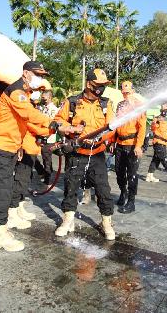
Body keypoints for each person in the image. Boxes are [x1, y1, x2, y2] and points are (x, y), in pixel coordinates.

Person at [0, 61, 69, 251]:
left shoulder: (25, 94)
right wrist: (54, 124)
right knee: (1, 190)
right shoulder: (16, 92)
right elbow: (29, 114)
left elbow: (26, 124)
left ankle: (1, 226)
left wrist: (51, 129)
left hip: (8, 147)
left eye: (43, 76)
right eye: (37, 74)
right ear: (25, 73)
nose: (41, 79)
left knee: (4, 188)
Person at [54, 69, 117, 240]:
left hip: (97, 154)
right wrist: (72, 130)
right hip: (76, 154)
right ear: (89, 84)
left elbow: (112, 128)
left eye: (104, 86)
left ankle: (106, 223)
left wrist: (98, 137)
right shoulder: (72, 102)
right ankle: (67, 220)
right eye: (99, 85)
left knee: (103, 190)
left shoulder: (106, 104)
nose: (101, 89)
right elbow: (59, 120)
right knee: (71, 188)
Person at [8, 91, 53, 230]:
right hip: (25, 147)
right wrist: (50, 129)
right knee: (20, 180)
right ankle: (12, 212)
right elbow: (31, 126)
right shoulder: (25, 106)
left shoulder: (33, 107)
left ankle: (19, 207)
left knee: (26, 179)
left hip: (32, 148)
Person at [113, 81, 147, 214]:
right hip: (120, 145)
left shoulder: (139, 106)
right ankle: (123, 192)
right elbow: (116, 124)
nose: (125, 94)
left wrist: (138, 146)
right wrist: (113, 141)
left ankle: (131, 202)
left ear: (133, 91)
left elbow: (142, 127)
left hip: (132, 145)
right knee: (119, 172)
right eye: (123, 92)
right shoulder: (120, 105)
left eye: (127, 92)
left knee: (132, 174)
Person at [38, 81, 60, 189]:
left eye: (45, 98)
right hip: (42, 136)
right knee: (44, 157)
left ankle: (48, 180)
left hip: (51, 137)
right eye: (42, 98)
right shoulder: (42, 108)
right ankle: (47, 176)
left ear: (50, 98)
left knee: (47, 159)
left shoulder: (54, 110)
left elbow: (54, 125)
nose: (43, 100)